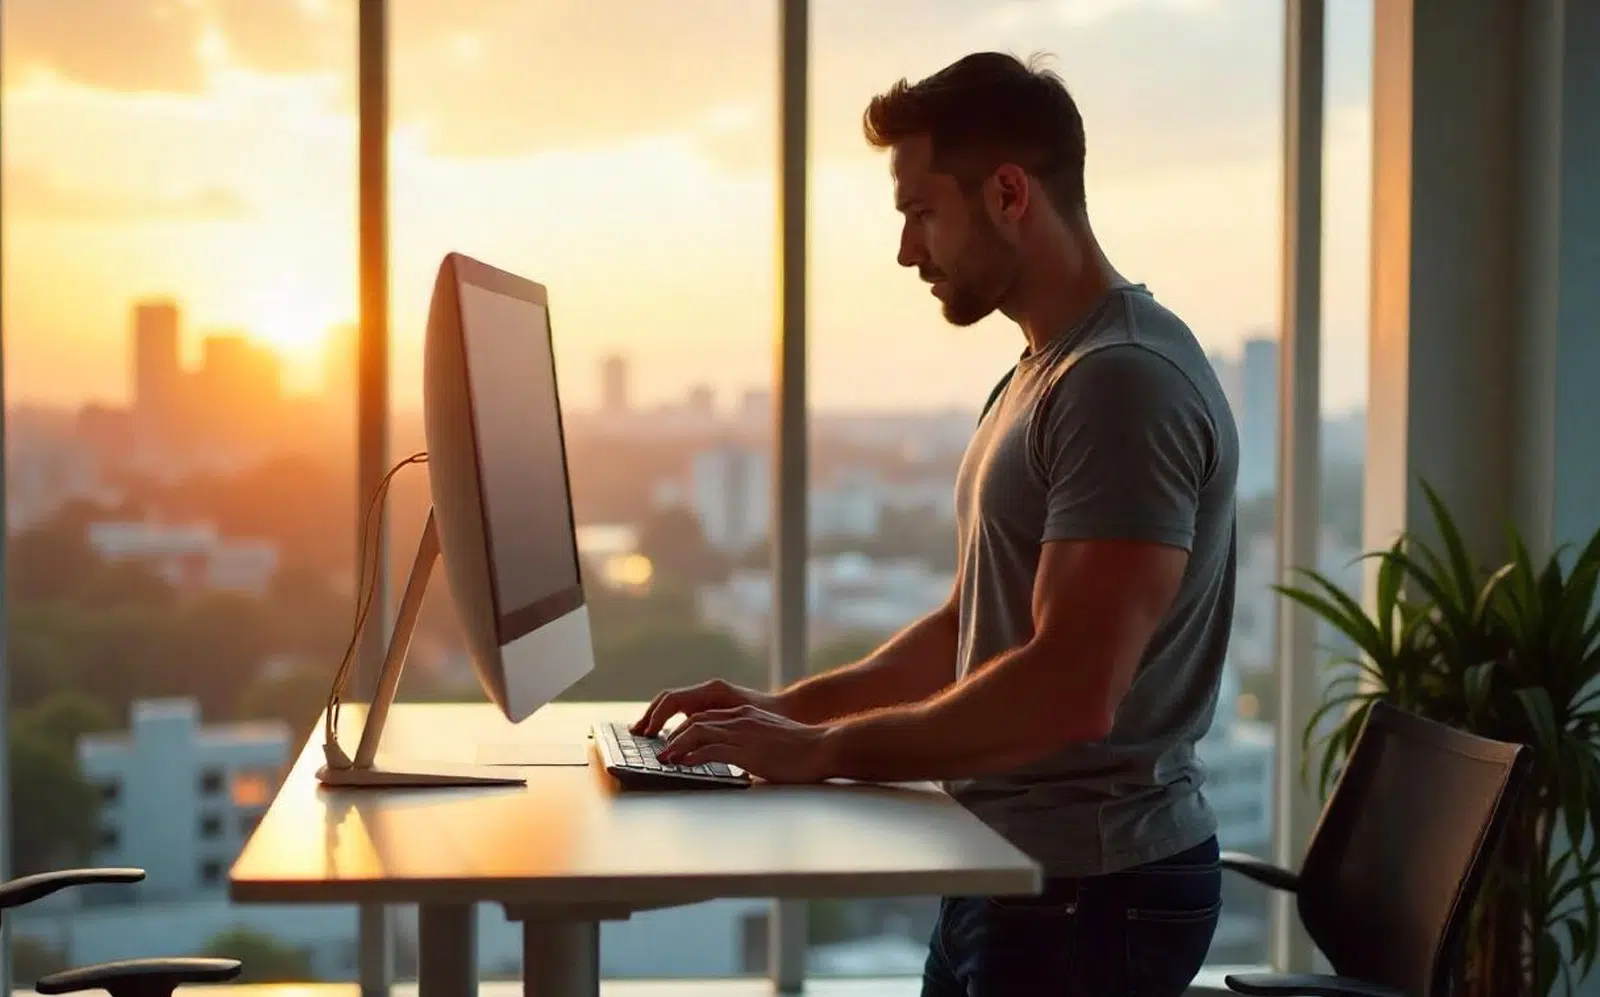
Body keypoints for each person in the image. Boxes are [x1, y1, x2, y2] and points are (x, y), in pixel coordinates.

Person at [634, 51, 1239, 996]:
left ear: (1007, 194)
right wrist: (781, 712)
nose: (909, 250)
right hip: (1017, 875)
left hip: (1089, 889)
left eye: (921, 212)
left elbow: (1070, 690)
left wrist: (825, 753)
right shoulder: (1046, 371)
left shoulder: (1120, 382)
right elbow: (973, 632)